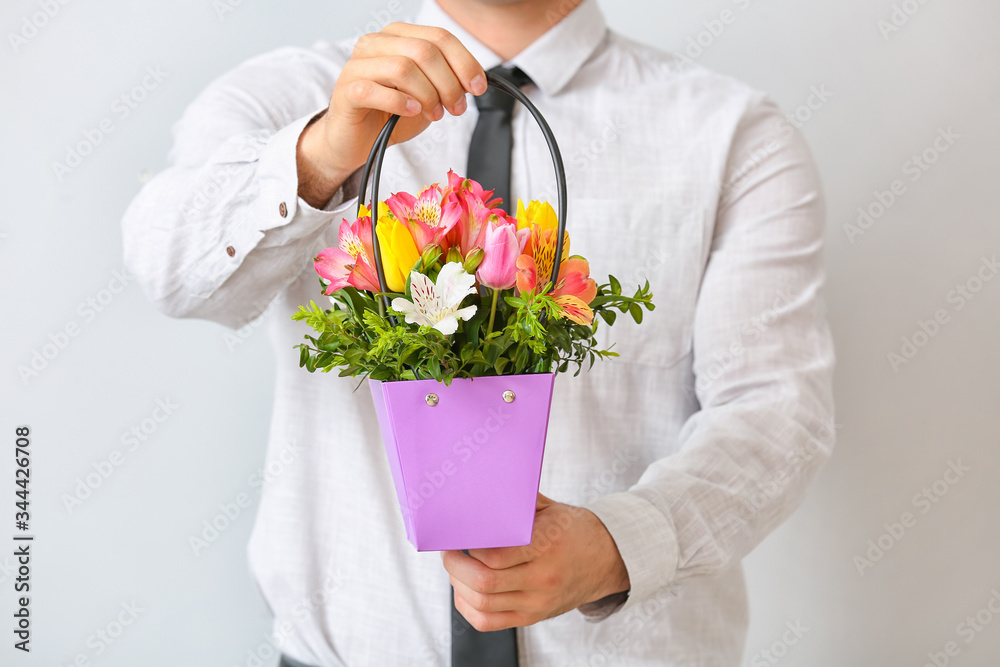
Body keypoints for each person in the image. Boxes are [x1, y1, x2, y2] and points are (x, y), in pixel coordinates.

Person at [121, 0, 836, 664]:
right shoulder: (291, 93)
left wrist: (618, 545)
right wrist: (319, 156)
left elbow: (776, 414)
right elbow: (168, 269)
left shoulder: (731, 133)